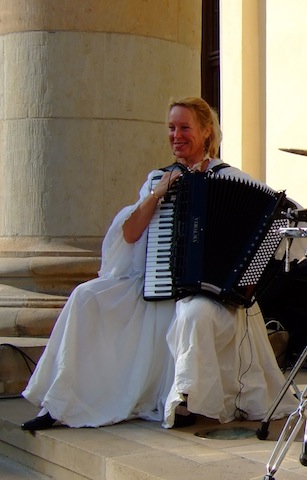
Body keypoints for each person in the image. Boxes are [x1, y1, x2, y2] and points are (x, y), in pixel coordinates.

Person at [21, 96, 304, 432]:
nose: (176, 135)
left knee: (194, 313)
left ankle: (190, 402)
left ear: (205, 133)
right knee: (86, 296)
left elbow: (281, 216)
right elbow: (128, 234)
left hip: (212, 293)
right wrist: (157, 195)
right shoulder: (158, 179)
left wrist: (251, 267)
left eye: (184, 127)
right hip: (155, 281)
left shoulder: (232, 178)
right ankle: (60, 403)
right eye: (171, 128)